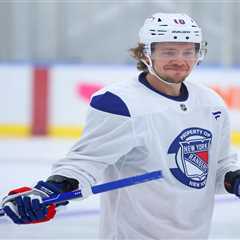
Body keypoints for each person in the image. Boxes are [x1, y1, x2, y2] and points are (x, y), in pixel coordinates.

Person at [1, 12, 240, 239]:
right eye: (169, 52)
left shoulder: (211, 103)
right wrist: (48, 192)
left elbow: (217, 168)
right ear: (146, 54)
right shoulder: (120, 103)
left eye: (188, 52)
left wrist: (234, 179)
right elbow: (84, 164)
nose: (180, 60)